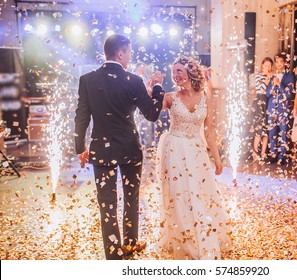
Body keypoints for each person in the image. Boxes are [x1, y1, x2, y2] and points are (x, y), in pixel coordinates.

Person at [74, 34, 164, 260]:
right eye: (130, 52)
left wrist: (80, 148)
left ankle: (113, 254)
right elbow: (152, 114)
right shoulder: (134, 81)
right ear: (120, 53)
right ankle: (131, 244)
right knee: (132, 197)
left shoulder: (87, 80)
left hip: (101, 151)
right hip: (130, 149)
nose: (131, 57)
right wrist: (158, 88)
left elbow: (81, 117)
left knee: (107, 205)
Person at [156, 55, 231, 260]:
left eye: (179, 70)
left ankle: (202, 236)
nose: (175, 75)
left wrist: (217, 158)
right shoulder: (170, 97)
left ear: (190, 72)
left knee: (199, 193)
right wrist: (153, 87)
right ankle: (184, 240)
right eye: (173, 72)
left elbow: (210, 131)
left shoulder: (205, 98)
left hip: (197, 150)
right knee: (179, 194)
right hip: (174, 149)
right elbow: (151, 111)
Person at [265, 53, 295, 165]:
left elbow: (288, 95)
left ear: (285, 63)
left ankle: (282, 155)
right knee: (272, 132)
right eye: (277, 62)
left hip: (283, 109)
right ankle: (273, 154)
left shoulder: (290, 76)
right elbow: (267, 94)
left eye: (281, 62)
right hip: (272, 108)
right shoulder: (272, 77)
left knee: (283, 133)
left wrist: (279, 85)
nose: (279, 64)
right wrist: (273, 85)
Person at [251, 57, 273, 162]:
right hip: (260, 101)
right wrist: (268, 79)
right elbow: (262, 88)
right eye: (266, 65)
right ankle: (255, 153)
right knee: (259, 130)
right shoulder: (258, 76)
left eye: (269, 65)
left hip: (267, 102)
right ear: (262, 65)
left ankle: (263, 153)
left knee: (266, 131)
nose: (267, 67)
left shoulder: (272, 76)